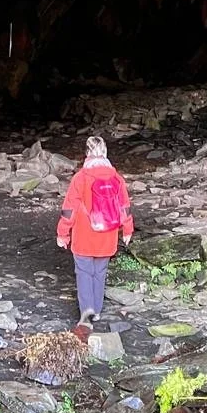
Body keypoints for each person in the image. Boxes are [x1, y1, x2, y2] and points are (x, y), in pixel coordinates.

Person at [57, 135, 133, 334]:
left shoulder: (81, 178)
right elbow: (124, 207)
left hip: (84, 235)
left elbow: (69, 210)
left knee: (84, 273)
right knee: (100, 272)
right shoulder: (116, 178)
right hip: (107, 235)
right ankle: (97, 311)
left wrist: (63, 233)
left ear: (88, 153)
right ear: (105, 153)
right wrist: (127, 230)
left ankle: (87, 316)